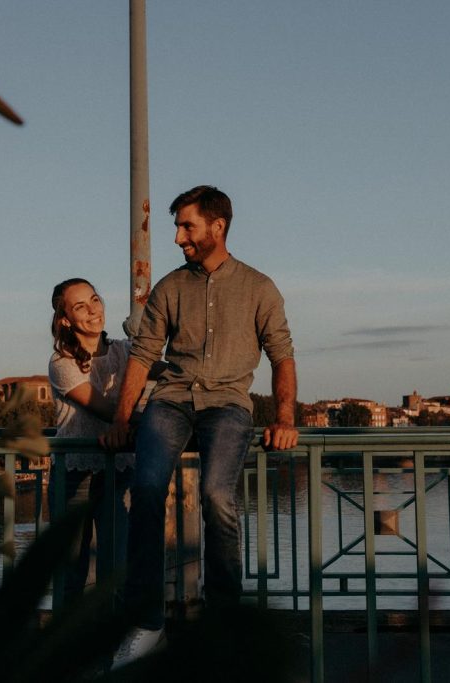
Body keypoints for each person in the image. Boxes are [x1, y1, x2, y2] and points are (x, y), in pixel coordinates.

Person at [102, 185, 299, 667]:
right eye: (177, 227)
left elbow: (282, 355)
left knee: (217, 496)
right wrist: (121, 419)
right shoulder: (170, 287)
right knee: (146, 492)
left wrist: (286, 417)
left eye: (186, 226)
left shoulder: (259, 287)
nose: (177, 237)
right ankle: (146, 624)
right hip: (170, 402)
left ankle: (224, 624)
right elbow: (145, 354)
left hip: (229, 405)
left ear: (218, 226)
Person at [47, 277, 136, 608]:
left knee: (118, 565)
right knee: (72, 570)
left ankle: (117, 646)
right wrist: (150, 421)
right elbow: (105, 410)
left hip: (118, 469)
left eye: (95, 300)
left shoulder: (126, 351)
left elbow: (169, 370)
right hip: (74, 474)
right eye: (80, 306)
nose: (93, 310)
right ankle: (66, 650)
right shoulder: (61, 363)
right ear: (66, 319)